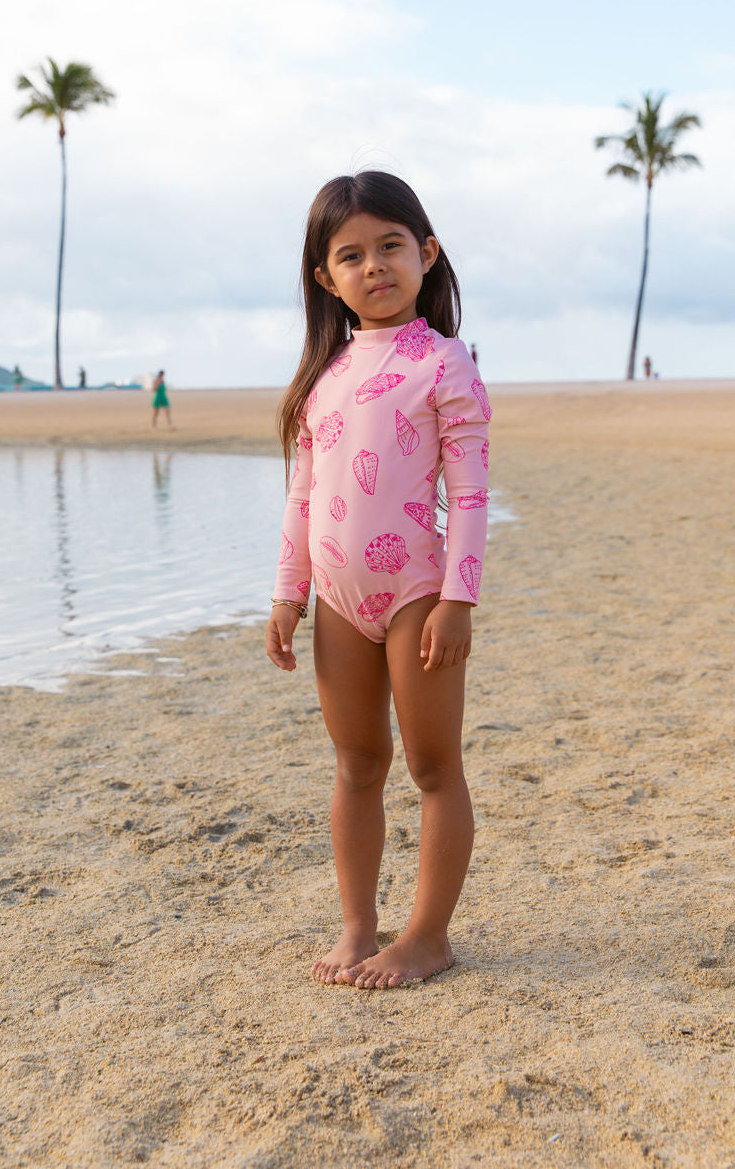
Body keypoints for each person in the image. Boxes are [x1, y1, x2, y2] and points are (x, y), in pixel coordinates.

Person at [266, 171, 491, 990]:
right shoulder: (321, 380)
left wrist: (459, 599)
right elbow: (303, 496)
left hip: (417, 597)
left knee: (433, 768)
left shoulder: (446, 365)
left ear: (426, 253)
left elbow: (468, 492)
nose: (375, 267)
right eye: (352, 256)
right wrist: (289, 594)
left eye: (391, 246)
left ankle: (427, 935)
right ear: (327, 279)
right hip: (336, 598)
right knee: (357, 762)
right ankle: (359, 924)